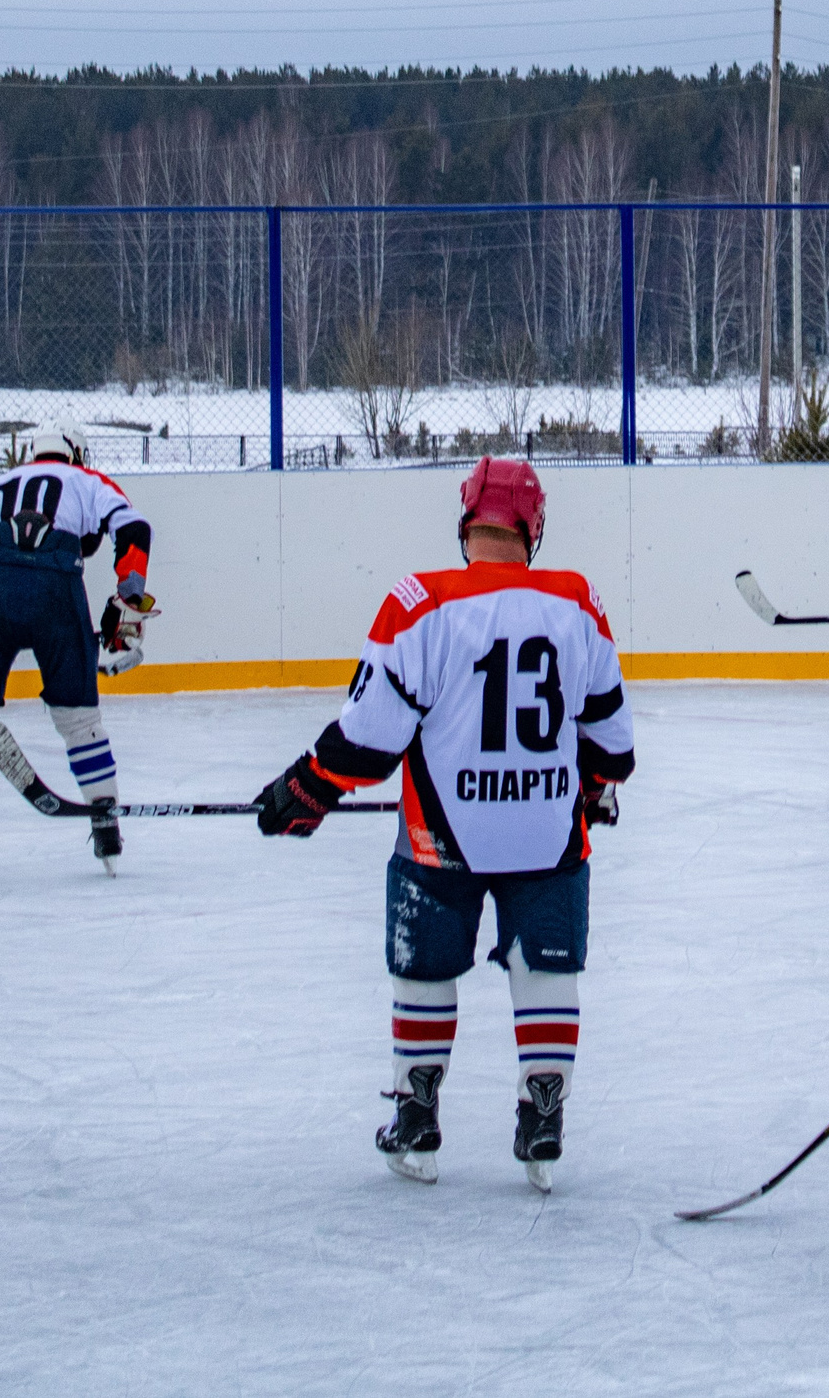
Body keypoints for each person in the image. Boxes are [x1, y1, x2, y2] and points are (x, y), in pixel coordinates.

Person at [252, 457, 633, 1193]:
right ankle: (543, 1120)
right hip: (547, 836)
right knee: (546, 967)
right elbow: (612, 744)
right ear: (533, 526)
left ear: (467, 522)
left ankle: (417, 1115)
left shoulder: (417, 601)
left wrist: (306, 788)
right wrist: (590, 789)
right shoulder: (577, 601)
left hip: (440, 839)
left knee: (424, 967)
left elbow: (368, 740)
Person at [0, 419, 154, 881]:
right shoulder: (87, 479)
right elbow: (135, 528)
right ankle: (105, 821)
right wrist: (128, 598)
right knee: (80, 720)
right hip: (55, 590)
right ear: (76, 455)